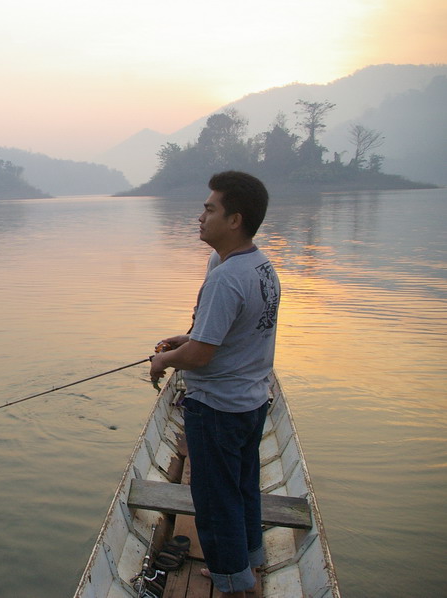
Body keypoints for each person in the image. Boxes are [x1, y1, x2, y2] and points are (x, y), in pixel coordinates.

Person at [149, 171, 280, 597]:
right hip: (251, 403)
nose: (200, 216)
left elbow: (202, 356)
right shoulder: (261, 267)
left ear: (235, 219)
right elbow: (230, 334)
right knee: (243, 488)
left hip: (218, 408)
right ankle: (249, 560)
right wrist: (186, 338)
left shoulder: (225, 277)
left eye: (210, 208)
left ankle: (231, 583)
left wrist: (163, 360)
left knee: (215, 500)